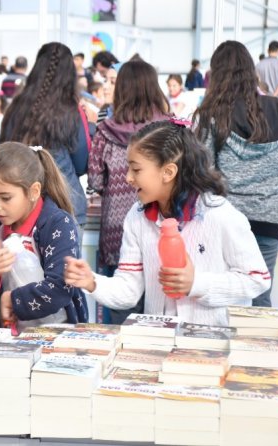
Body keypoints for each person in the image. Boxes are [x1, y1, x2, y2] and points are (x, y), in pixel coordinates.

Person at [64, 120, 271, 327]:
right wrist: (91, 281)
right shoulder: (136, 217)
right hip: (160, 341)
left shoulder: (220, 215)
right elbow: (129, 290)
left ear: (168, 172)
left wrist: (196, 284)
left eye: (136, 170)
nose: (128, 178)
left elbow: (257, 279)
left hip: (211, 343)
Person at [194, 40, 278, 308]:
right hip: (269, 217)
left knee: (222, 296)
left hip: (225, 216)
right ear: (250, 70)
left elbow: (202, 169)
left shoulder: (212, 114)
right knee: (260, 294)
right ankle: (260, 350)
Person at [89, 60, 170, 324]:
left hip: (117, 228)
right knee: (162, 314)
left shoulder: (105, 129)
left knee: (121, 314)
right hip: (163, 225)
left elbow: (94, 180)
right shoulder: (172, 130)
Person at [0, 142, 88, 330]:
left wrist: (11, 299)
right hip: (10, 339)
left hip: (56, 336)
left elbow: (60, 288)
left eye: (5, 198)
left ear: (34, 191)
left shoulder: (58, 224)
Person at [0, 42, 91, 241]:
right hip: (67, 203)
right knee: (65, 271)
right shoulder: (72, 111)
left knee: (17, 271)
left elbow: (2, 155)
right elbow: (82, 162)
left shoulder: (17, 107)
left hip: (21, 206)